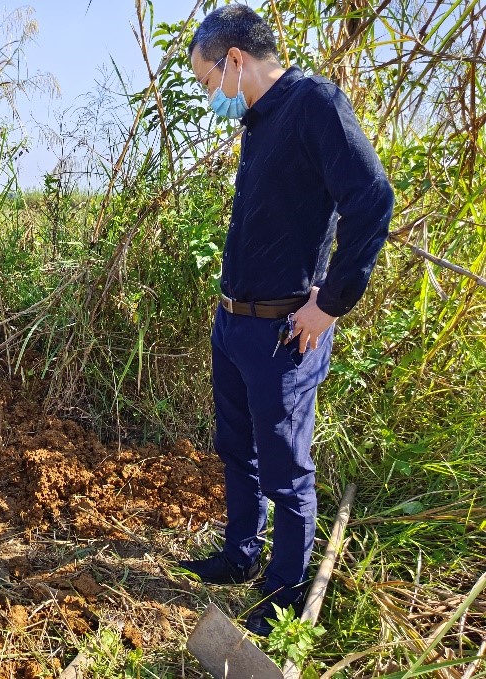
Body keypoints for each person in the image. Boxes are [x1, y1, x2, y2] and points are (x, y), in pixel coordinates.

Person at [178, 5, 393, 636]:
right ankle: (240, 556)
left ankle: (285, 594)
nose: (209, 95)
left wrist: (329, 304)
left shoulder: (314, 106)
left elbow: (371, 199)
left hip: (282, 331)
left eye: (207, 80)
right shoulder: (260, 121)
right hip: (235, 324)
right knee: (236, 449)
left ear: (235, 61)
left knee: (286, 469)